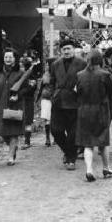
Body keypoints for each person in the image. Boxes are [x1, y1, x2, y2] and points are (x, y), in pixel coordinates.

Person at [75, 49, 112, 182]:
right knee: (103, 142)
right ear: (100, 60)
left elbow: (77, 92)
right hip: (101, 110)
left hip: (84, 111)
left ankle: (89, 170)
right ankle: (106, 168)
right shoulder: (105, 74)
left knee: (88, 143)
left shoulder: (79, 75)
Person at [49, 38, 87, 171]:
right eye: (64, 49)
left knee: (73, 133)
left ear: (73, 50)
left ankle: (71, 159)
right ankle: (68, 152)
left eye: (69, 49)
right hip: (58, 101)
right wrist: (52, 94)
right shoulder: (55, 64)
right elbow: (51, 82)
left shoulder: (82, 63)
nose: (66, 51)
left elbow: (86, 81)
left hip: (75, 102)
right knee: (56, 130)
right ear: (60, 51)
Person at [0, 49, 27, 166]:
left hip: (15, 105)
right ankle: (13, 147)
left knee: (13, 132)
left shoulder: (20, 73)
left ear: (15, 59)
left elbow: (27, 89)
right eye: (6, 57)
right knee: (3, 132)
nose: (8, 59)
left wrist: (18, 95)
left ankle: (11, 156)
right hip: (1, 104)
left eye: (10, 57)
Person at [20, 51, 41, 150]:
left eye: (21, 65)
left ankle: (27, 141)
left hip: (27, 100)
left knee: (27, 120)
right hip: (22, 100)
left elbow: (31, 88)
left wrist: (20, 92)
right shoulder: (20, 75)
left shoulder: (31, 75)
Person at [36, 59, 53, 147]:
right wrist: (38, 99)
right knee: (47, 119)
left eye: (47, 64)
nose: (46, 66)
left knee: (53, 119)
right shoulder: (45, 75)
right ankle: (47, 138)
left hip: (53, 98)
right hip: (46, 98)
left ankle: (52, 138)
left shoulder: (56, 74)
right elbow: (42, 87)